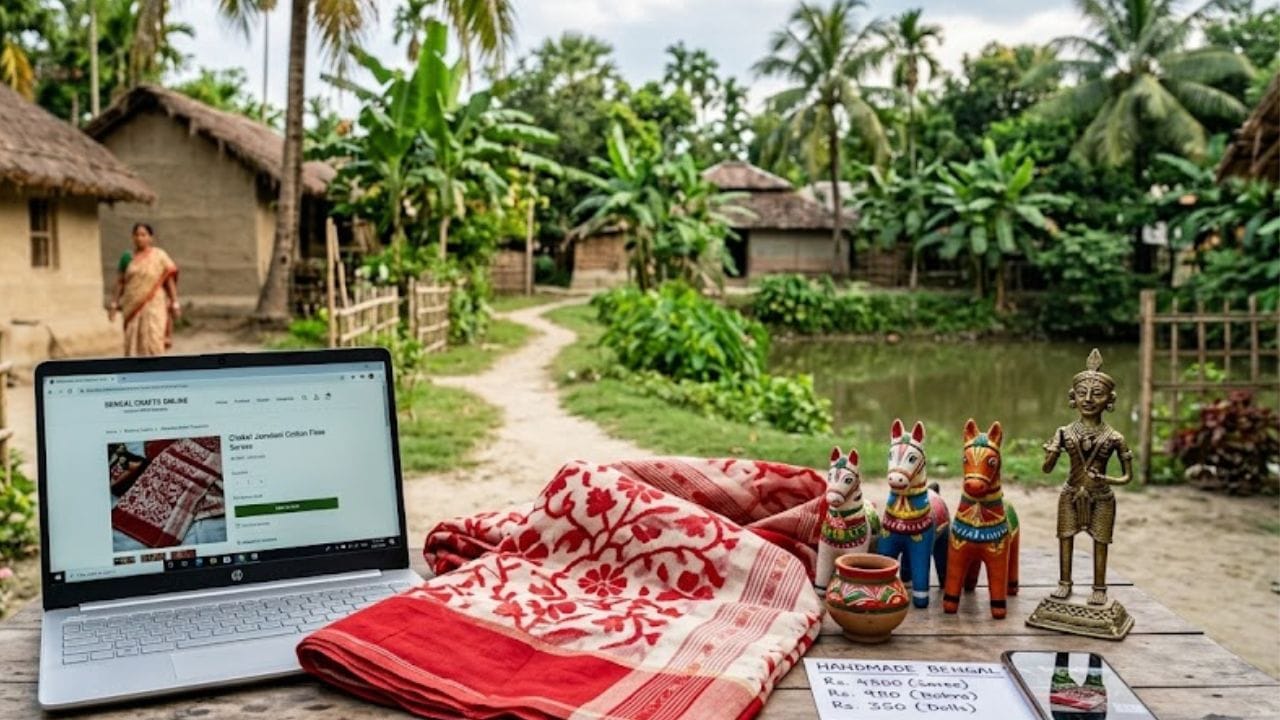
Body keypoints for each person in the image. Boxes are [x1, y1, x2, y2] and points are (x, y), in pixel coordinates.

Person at [1041, 348, 1133, 607]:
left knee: (1101, 541)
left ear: (1109, 400)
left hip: (1101, 496)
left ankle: (1099, 586)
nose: (1089, 399)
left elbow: (1127, 477)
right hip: (1071, 493)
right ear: (1073, 397)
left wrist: (1105, 478)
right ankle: (1064, 582)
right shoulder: (1064, 432)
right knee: (1065, 538)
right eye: (1082, 393)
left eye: (1097, 393)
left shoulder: (1114, 438)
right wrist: (1050, 453)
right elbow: (1047, 469)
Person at [108, 223, 180, 356]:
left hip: (155, 304)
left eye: (143, 235)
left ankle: (156, 371)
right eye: (136, 235)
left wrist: (175, 303)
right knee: (133, 339)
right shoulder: (127, 258)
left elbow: (169, 281)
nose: (139, 238)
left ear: (150, 237)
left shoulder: (159, 256)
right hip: (132, 305)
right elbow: (120, 283)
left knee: (154, 338)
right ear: (132, 237)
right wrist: (113, 304)